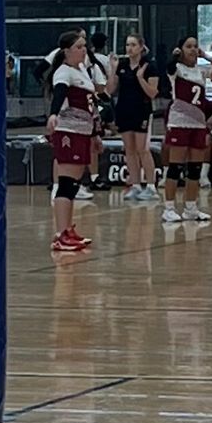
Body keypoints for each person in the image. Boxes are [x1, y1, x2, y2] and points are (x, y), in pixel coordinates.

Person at [44, 27, 101, 257]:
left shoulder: (82, 71)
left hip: (82, 132)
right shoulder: (63, 72)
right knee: (66, 183)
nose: (83, 50)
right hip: (68, 131)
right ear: (66, 51)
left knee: (75, 183)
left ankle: (68, 230)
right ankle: (60, 235)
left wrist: (95, 134)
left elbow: (91, 106)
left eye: (84, 46)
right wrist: (53, 114)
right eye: (78, 47)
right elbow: (59, 94)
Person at [160, 36, 212, 226]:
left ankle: (191, 207)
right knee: (175, 167)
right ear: (181, 49)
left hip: (198, 123)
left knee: (195, 168)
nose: (193, 49)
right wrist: (175, 56)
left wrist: (206, 55)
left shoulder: (201, 71)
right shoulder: (176, 69)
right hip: (179, 122)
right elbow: (168, 67)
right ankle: (169, 208)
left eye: (195, 46)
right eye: (188, 46)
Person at [109, 33, 158, 205]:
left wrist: (139, 78)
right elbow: (110, 89)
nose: (129, 48)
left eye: (133, 45)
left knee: (142, 149)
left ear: (141, 47)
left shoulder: (149, 66)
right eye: (127, 45)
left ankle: (151, 186)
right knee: (129, 149)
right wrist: (113, 69)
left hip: (142, 111)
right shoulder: (122, 65)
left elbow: (153, 93)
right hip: (124, 110)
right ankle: (135, 185)